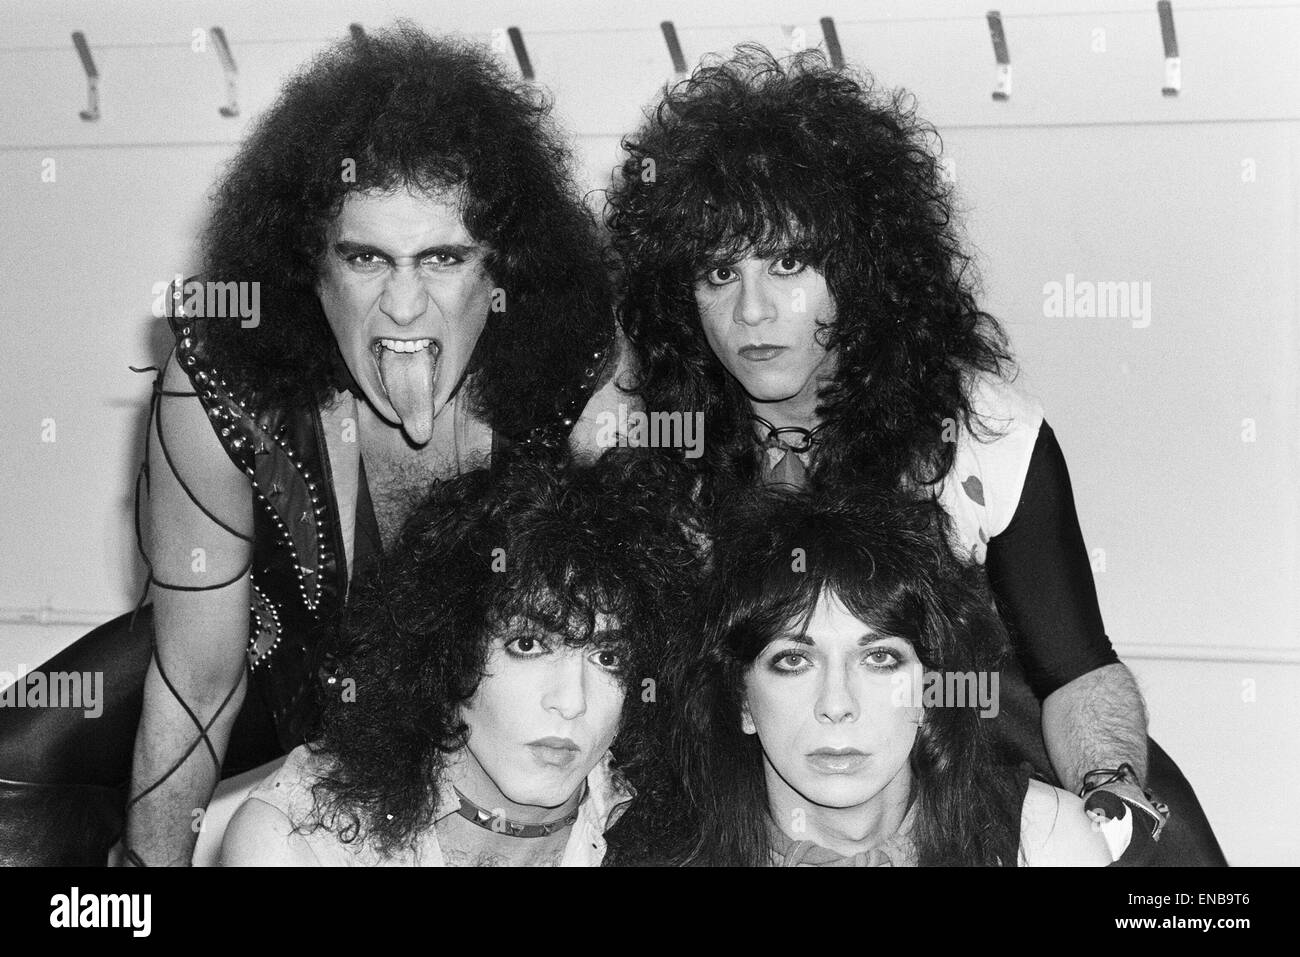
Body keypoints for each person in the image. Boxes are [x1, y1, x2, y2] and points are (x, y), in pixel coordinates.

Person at [0, 23, 629, 866]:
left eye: (443, 258)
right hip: (279, 653)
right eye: (367, 258)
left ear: (502, 271)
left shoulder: (573, 374)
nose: (404, 306)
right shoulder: (222, 380)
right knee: (18, 760)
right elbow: (197, 687)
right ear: (309, 271)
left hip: (473, 687)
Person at [605, 45, 1224, 864]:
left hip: (986, 760)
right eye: (720, 271)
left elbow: (1075, 665)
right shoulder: (653, 445)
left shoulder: (984, 431)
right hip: (741, 790)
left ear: (861, 268)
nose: (752, 310)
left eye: (789, 262)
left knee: (1177, 879)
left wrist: (1106, 806)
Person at [221, 453, 700, 866]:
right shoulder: (302, 841)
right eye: (529, 645)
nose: (571, 701)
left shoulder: (684, 834)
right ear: (444, 651)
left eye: (608, 656)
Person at [663, 486, 1111, 867]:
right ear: (742, 699)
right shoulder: (656, 854)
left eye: (879, 658)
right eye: (794, 662)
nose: (837, 705)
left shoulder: (1044, 840)